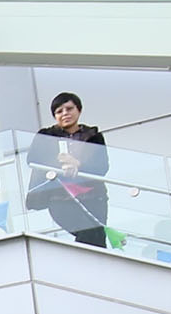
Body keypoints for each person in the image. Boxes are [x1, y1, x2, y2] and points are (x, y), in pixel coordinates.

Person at [25, 92, 111, 248]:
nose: (65, 113)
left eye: (69, 109)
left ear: (79, 110)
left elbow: (101, 166)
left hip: (93, 196)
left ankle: (89, 263)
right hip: (59, 197)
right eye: (59, 111)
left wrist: (78, 164)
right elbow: (33, 159)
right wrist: (59, 164)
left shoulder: (93, 135)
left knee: (98, 237)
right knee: (88, 232)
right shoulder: (46, 135)